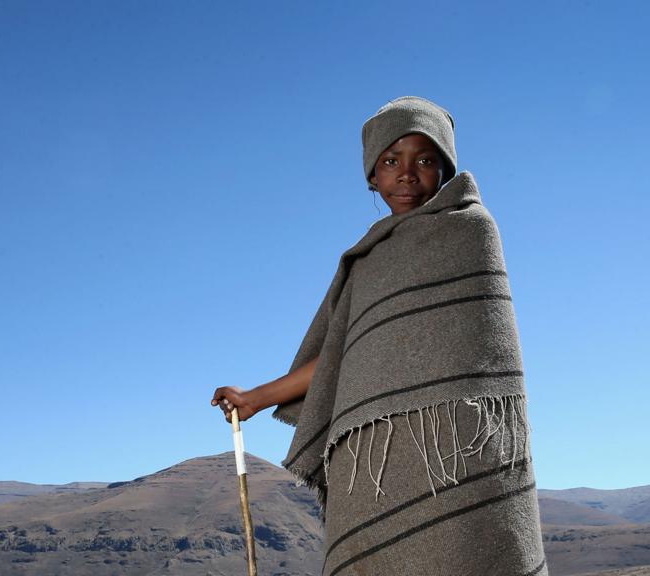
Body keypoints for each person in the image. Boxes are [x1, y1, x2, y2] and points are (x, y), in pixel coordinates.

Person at [212, 96, 548, 576]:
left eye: (425, 160)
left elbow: (485, 347)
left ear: (445, 169)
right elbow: (338, 356)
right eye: (391, 161)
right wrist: (256, 398)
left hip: (463, 453)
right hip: (375, 462)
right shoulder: (369, 258)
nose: (407, 174)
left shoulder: (470, 231)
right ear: (372, 174)